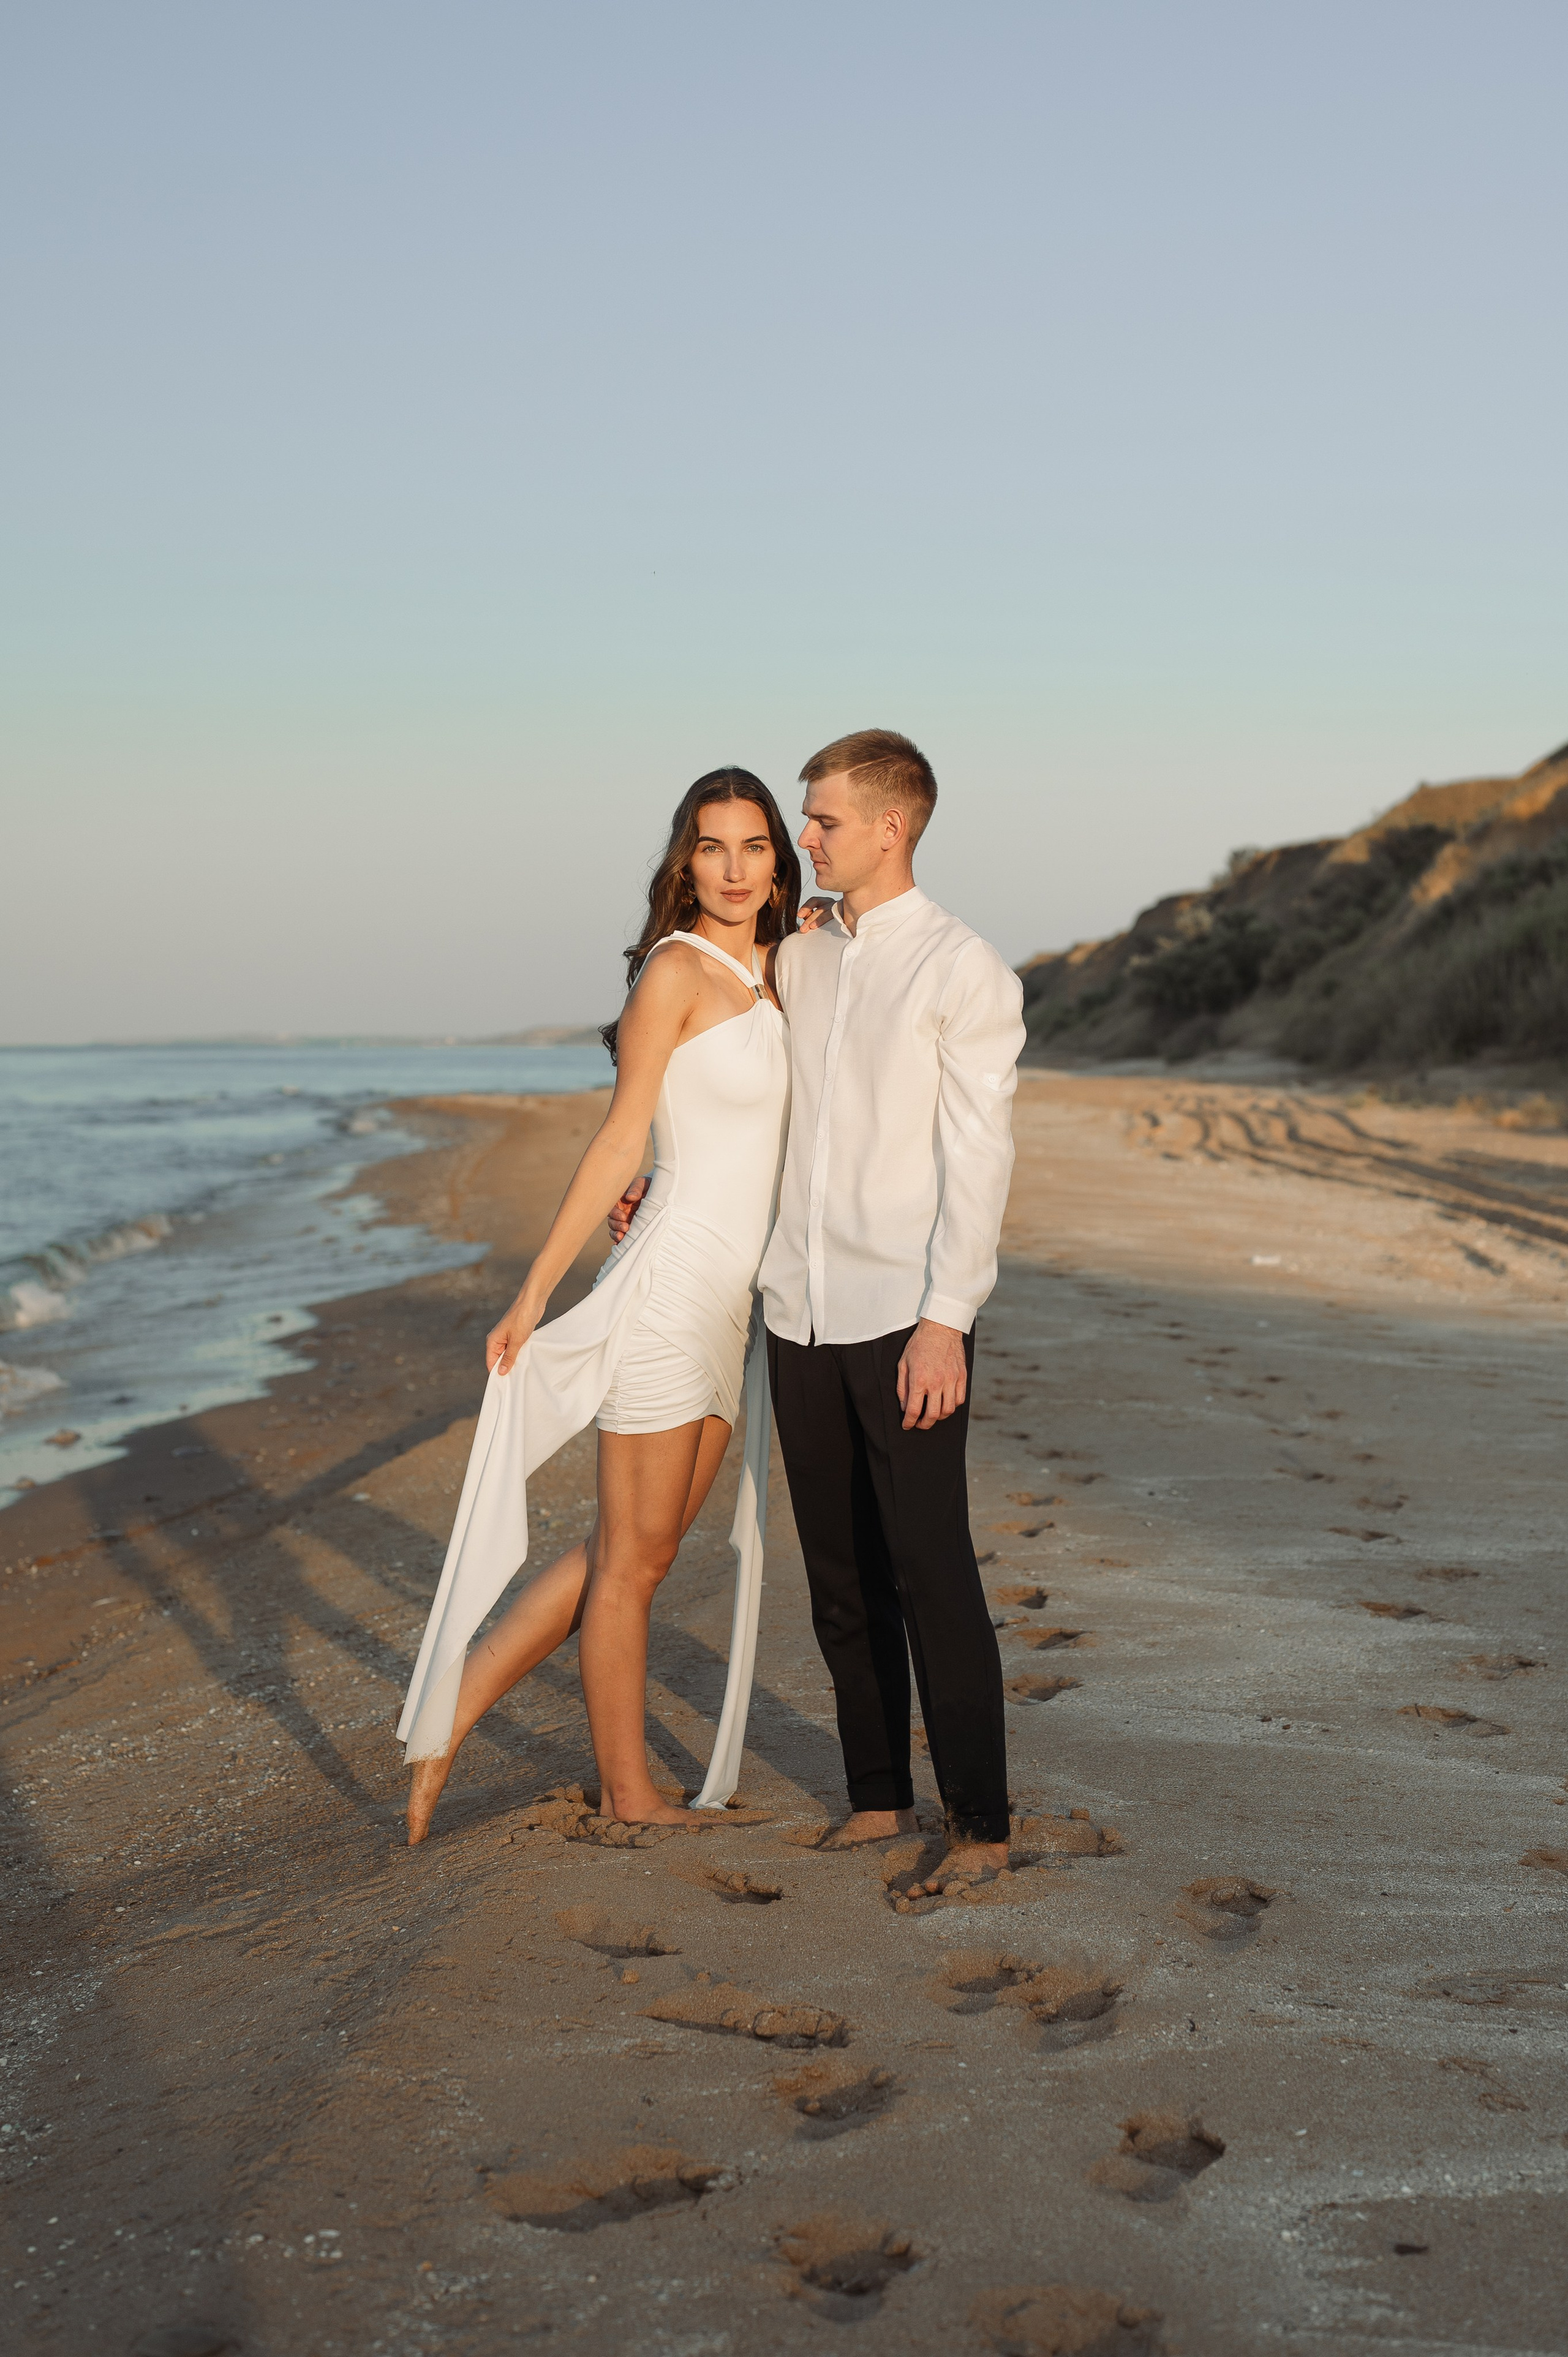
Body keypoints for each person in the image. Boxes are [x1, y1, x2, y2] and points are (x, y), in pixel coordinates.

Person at [617, 728, 1026, 1888]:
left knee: (934, 1571)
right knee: (841, 1577)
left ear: (891, 827)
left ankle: (983, 1826)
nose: (806, 840)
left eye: (825, 820)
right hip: (797, 1310)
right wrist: (657, 1177)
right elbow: (736, 1099)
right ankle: (878, 1798)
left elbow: (979, 1160)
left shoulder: (964, 970)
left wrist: (949, 1317)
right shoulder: (804, 957)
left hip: (908, 1317)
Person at [397, 770, 795, 1842]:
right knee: (630, 1562)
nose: (733, 868)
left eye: (753, 847)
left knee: (641, 1544)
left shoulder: (783, 966)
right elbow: (625, 1135)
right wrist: (535, 1292)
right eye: (712, 848)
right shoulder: (674, 973)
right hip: (669, 1288)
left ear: (776, 858)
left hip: (735, 1304)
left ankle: (453, 1705)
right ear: (684, 862)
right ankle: (629, 1796)